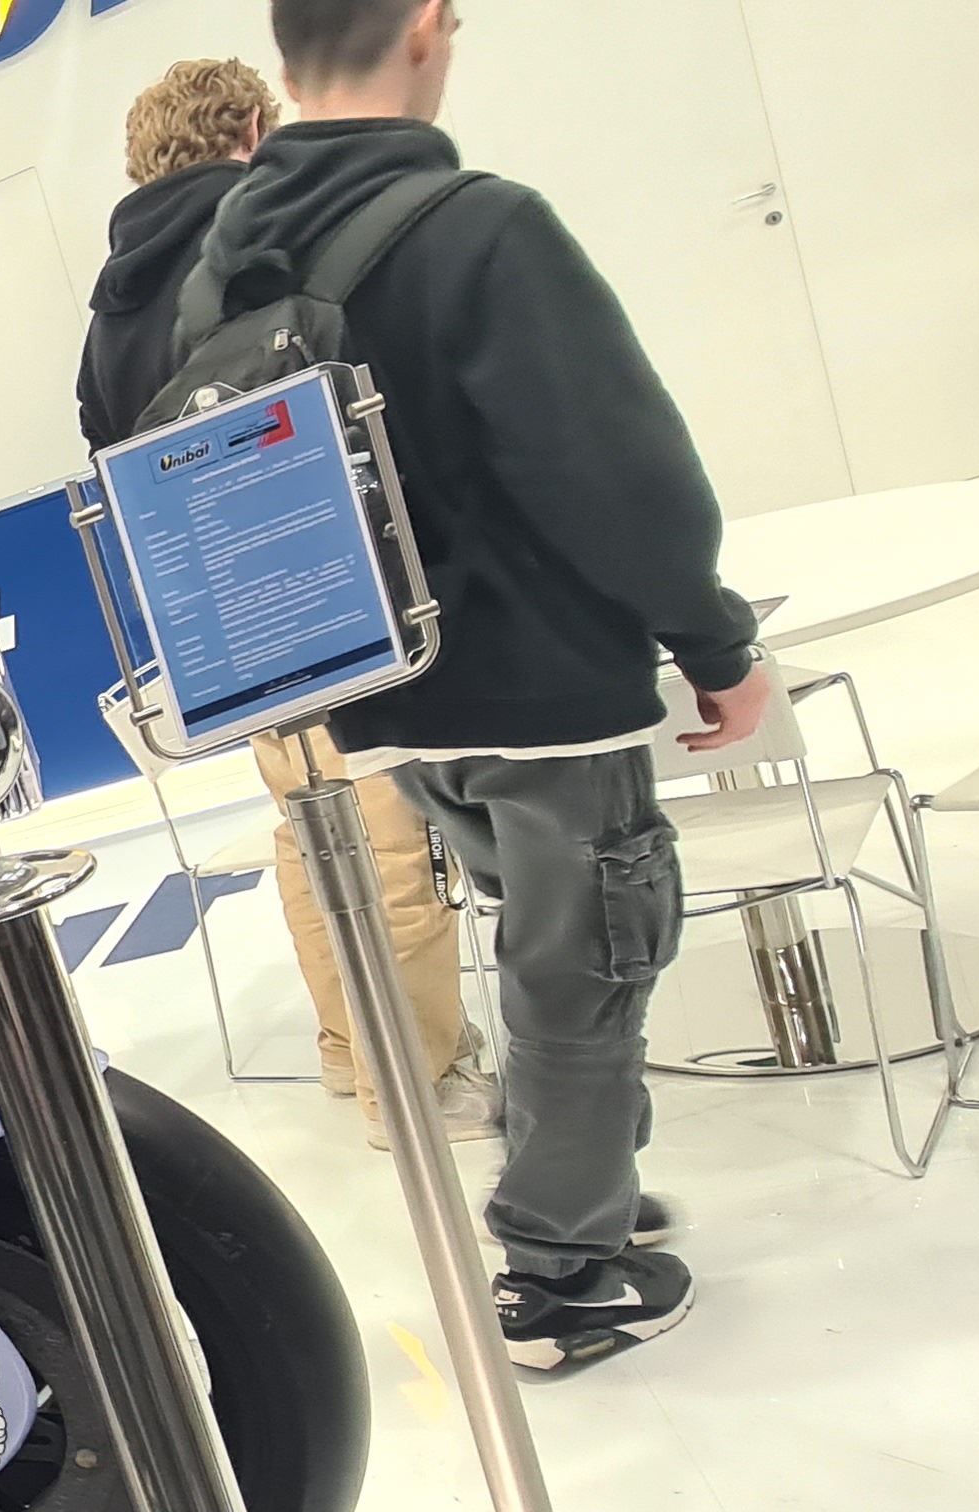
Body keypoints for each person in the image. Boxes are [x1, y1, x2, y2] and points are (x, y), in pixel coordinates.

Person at [211, 0, 771, 1370]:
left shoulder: (226, 263)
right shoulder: (481, 228)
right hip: (545, 687)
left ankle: (579, 1185)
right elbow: (613, 469)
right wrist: (712, 640)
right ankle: (563, 1278)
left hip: (384, 691)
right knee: (585, 964)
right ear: (421, 29)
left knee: (537, 937)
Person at [79, 56, 495, 1152]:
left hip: (222, 619)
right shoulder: (266, 246)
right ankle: (418, 1082)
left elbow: (109, 452)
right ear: (253, 131)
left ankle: (351, 1048)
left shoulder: (110, 308)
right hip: (332, 581)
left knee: (310, 829)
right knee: (387, 833)